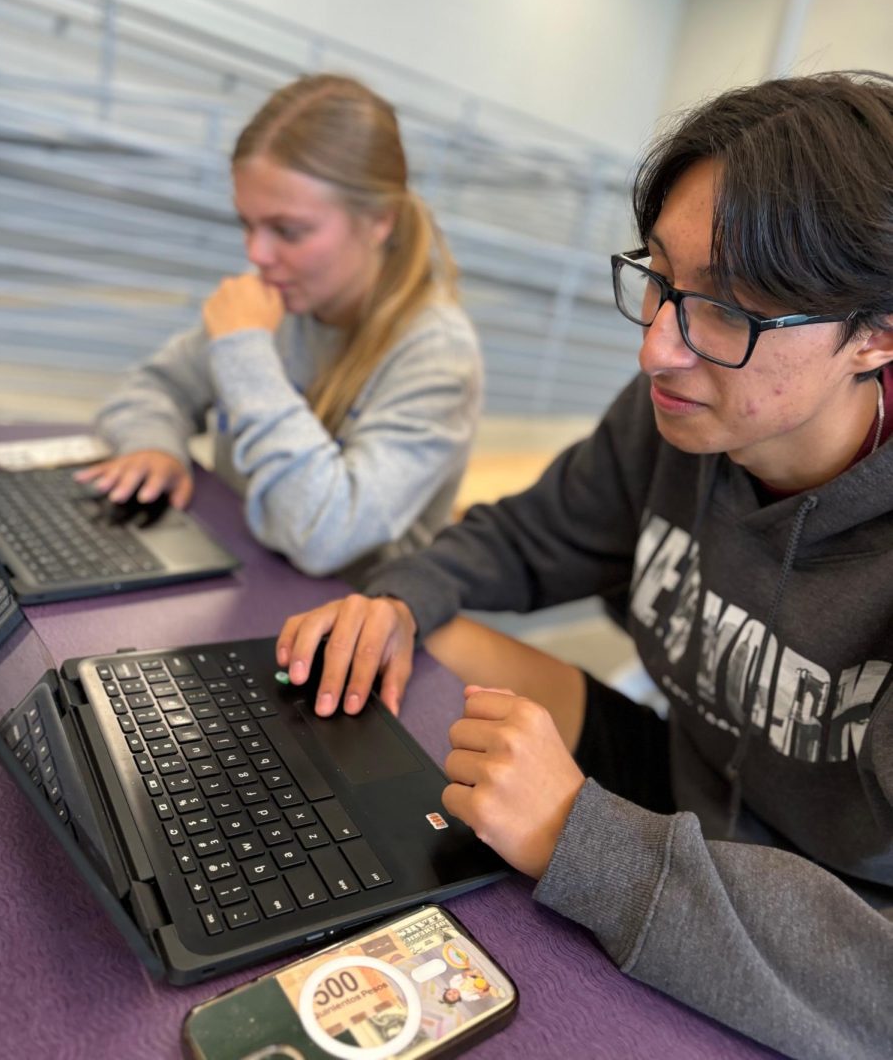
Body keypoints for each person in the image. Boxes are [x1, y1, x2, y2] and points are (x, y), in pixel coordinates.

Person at [275, 71, 893, 1059]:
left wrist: (585, 841)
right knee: (437, 640)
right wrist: (399, 597)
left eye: (728, 309)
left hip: (829, 921)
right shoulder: (681, 424)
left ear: (876, 334)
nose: (657, 348)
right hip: (687, 784)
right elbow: (516, 541)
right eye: (658, 279)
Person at [77, 74, 481, 580]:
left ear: (380, 219)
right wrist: (154, 443)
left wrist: (245, 354)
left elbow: (324, 536)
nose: (257, 254)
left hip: (339, 620)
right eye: (247, 224)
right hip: (243, 575)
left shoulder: (438, 353)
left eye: (288, 231)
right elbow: (154, 386)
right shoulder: (278, 297)